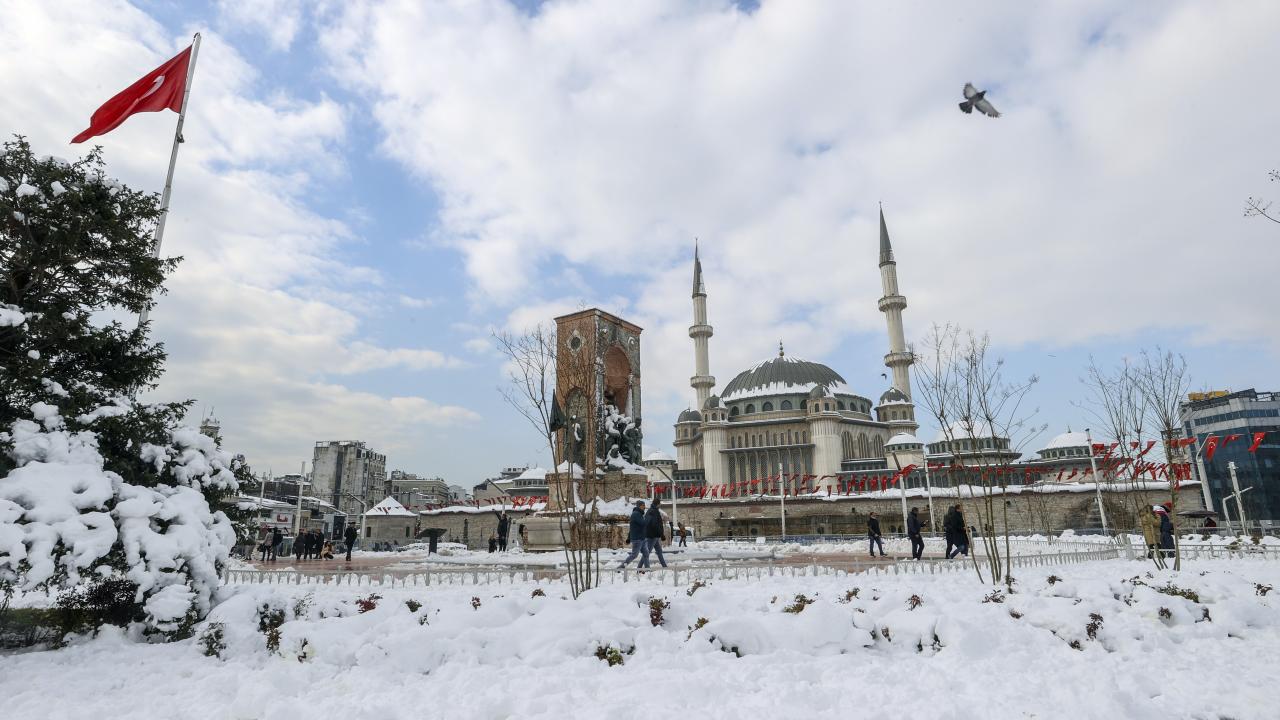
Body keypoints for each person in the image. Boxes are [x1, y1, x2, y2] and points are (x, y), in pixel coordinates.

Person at [618, 500, 647, 569]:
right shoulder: (636, 514)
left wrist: (629, 537)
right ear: (639, 506)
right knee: (634, 555)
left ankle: (646, 569)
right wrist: (648, 519)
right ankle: (621, 567)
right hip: (637, 539)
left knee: (646, 553)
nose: (644, 507)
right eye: (643, 505)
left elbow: (633, 527)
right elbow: (643, 523)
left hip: (642, 538)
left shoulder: (639, 514)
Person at [640, 498, 669, 569]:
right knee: (647, 553)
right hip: (653, 536)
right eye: (659, 503)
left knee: (659, 551)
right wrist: (661, 534)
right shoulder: (654, 511)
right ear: (658, 504)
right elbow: (655, 524)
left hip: (653, 535)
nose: (660, 505)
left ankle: (664, 566)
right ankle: (639, 567)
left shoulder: (651, 510)